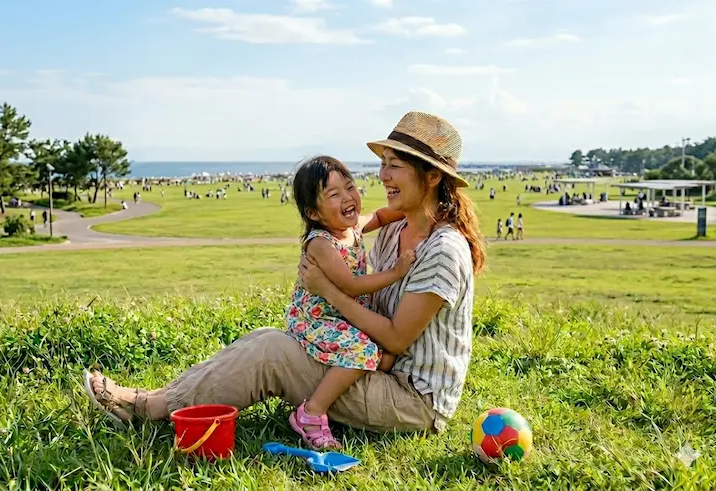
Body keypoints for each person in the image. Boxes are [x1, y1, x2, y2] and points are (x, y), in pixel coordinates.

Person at [82, 111, 486, 439]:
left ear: (432, 176)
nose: (383, 176)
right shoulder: (397, 229)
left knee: (272, 353)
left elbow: (397, 337)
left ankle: (148, 409)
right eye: (383, 164)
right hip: (374, 366)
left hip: (412, 400)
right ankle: (161, 397)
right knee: (267, 338)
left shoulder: (442, 251)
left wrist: (328, 291)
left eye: (394, 166)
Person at [285, 155, 412, 449]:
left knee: (387, 356)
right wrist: (395, 273)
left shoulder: (352, 229)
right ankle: (311, 413)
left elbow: (379, 217)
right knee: (363, 350)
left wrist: (411, 209)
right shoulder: (321, 243)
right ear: (313, 213)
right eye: (333, 194)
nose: (347, 197)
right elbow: (351, 286)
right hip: (316, 320)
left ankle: (347, 396)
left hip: (341, 315)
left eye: (350, 187)